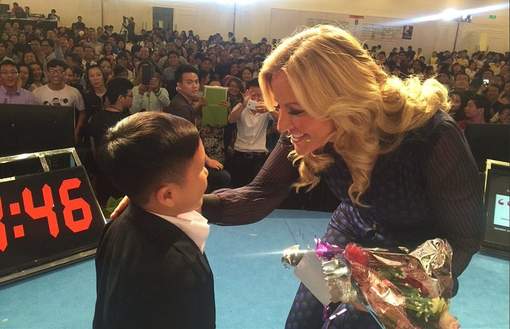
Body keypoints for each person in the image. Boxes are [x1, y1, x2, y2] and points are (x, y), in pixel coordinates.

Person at [112, 25, 483, 328]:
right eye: (278, 109)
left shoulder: (433, 135)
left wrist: (412, 293)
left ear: (342, 98)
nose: (283, 125)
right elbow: (258, 195)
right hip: (348, 240)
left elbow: (465, 238)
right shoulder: (311, 132)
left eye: (296, 110)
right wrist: (178, 202)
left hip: (412, 264)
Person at [93, 112, 214, 329]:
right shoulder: (182, 265)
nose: (206, 172)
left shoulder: (115, 227)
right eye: (199, 169)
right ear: (167, 195)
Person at [228, 78, 277, 187]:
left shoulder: (266, 109)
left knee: (256, 189)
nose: (256, 98)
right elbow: (231, 119)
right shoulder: (240, 107)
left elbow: (280, 122)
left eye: (260, 95)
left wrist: (270, 108)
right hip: (239, 154)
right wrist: (243, 104)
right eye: (253, 95)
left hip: (259, 157)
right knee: (237, 187)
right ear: (246, 93)